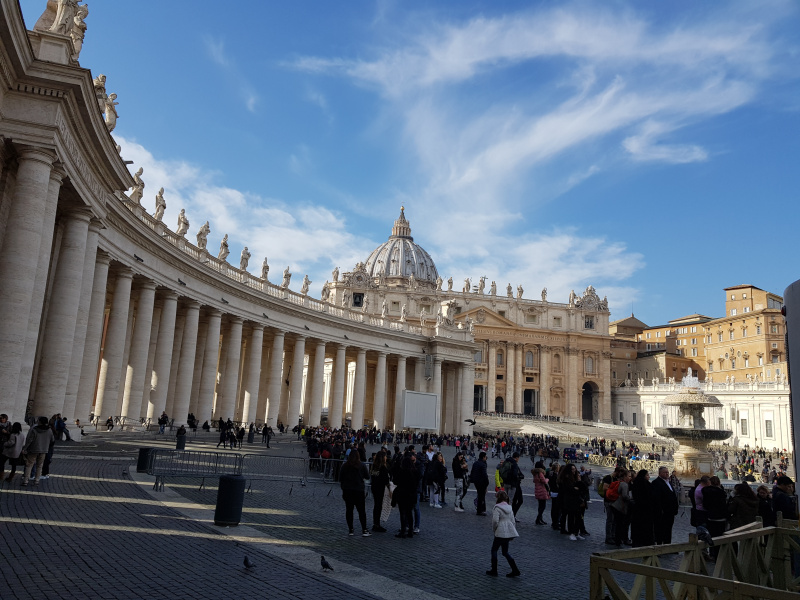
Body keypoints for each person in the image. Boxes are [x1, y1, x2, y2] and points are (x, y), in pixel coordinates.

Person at [486, 490, 521, 577]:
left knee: (494, 550)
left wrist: (495, 530)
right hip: (508, 532)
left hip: (500, 532)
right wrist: (512, 533)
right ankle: (515, 569)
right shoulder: (510, 508)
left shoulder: (497, 508)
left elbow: (495, 521)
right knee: (505, 552)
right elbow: (513, 521)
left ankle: (494, 570)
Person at [339, 449, 370, 537]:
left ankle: (351, 529)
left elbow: (340, 478)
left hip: (347, 490)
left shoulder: (345, 466)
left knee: (349, 510)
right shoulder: (361, 465)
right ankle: (364, 529)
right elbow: (367, 476)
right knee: (361, 511)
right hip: (358, 490)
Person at [21, 417, 55, 487]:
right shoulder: (49, 430)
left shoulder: (35, 430)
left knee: (29, 465)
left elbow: (30, 440)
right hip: (44, 450)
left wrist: (25, 448)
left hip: (33, 449)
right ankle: (37, 480)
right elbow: (52, 440)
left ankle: (25, 481)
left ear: (39, 422)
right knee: (39, 466)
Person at [393, 453, 420, 538]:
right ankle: (410, 531)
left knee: (403, 513)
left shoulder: (402, 471)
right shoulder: (415, 472)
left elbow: (395, 481)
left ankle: (403, 530)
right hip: (412, 494)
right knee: (409, 513)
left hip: (402, 494)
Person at [702, 476, 728, 559]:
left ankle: (712, 554)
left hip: (710, 516)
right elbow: (723, 506)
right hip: (720, 517)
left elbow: (705, 504)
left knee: (711, 536)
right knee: (720, 537)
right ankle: (718, 555)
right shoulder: (721, 493)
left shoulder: (705, 491)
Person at [652, 466, 680, 544]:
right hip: (663, 512)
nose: (667, 474)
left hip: (670, 512)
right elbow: (657, 499)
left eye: (667, 472)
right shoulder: (656, 483)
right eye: (665, 472)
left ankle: (668, 544)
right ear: (660, 473)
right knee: (660, 529)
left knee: (668, 529)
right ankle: (660, 545)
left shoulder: (668, 482)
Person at [629, 470, 656, 547]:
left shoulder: (636, 483)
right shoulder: (645, 484)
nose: (649, 477)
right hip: (645, 510)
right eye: (647, 475)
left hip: (638, 509)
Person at [558, 464, 584, 541]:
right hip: (569, 500)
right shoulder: (566, 478)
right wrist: (575, 488)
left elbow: (580, 488)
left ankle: (576, 532)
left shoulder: (576, 477)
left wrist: (577, 488)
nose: (574, 470)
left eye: (574, 469)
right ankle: (571, 532)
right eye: (572, 469)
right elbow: (569, 489)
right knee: (571, 516)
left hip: (576, 499)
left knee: (578, 517)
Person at [611, 469, 633, 546]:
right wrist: (630, 498)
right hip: (619, 506)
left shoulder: (621, 483)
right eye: (629, 476)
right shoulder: (624, 484)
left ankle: (617, 539)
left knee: (617, 523)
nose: (630, 478)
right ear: (625, 477)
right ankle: (618, 540)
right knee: (619, 524)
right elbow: (624, 496)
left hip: (615, 505)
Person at [369, 451, 390, 532]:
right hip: (380, 488)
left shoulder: (374, 466)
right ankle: (377, 524)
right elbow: (386, 480)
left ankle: (375, 523)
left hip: (374, 487)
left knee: (376, 505)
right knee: (378, 506)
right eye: (385, 456)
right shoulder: (383, 468)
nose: (386, 458)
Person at [501, 452, 524, 520]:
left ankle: (511, 515)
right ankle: (508, 515)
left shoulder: (507, 461)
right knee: (512, 500)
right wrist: (519, 477)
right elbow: (515, 475)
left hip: (506, 483)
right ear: (517, 458)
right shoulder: (514, 464)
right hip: (513, 484)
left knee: (509, 500)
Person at [470, 451, 490, 516]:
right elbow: (484, 474)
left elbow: (472, 472)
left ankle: (481, 509)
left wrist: (472, 480)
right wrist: (487, 482)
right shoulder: (483, 464)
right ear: (483, 457)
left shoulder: (475, 463)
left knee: (480, 495)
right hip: (481, 482)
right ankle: (480, 510)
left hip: (476, 482)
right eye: (485, 456)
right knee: (481, 496)